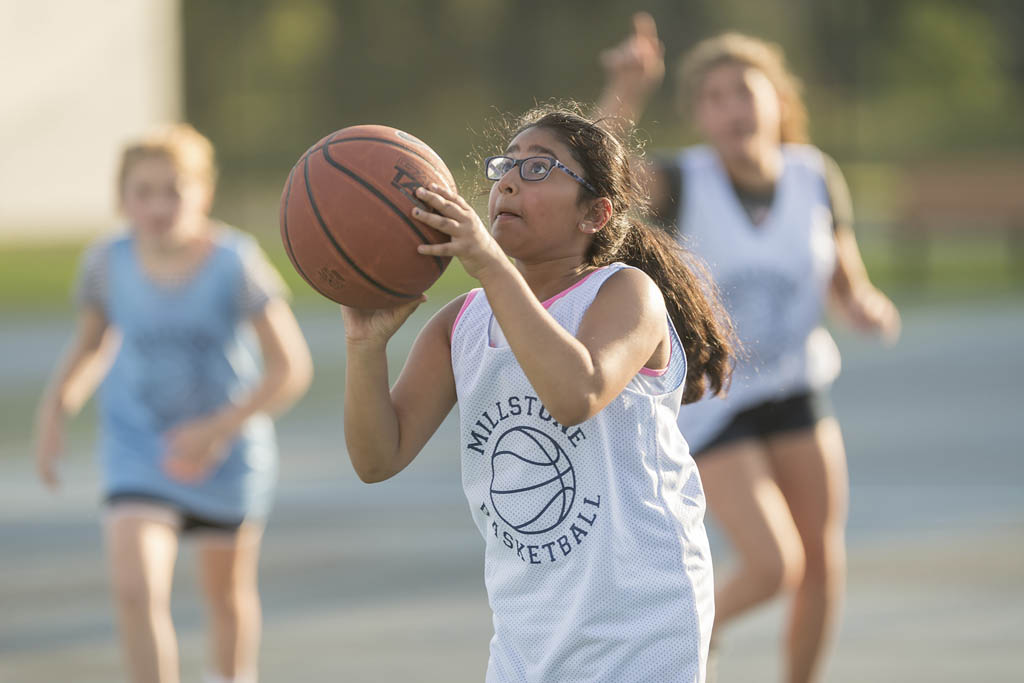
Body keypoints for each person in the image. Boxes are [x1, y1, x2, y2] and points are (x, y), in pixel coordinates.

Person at [339, 106, 735, 682]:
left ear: (595, 213)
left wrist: (490, 266)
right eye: (506, 165)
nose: (507, 180)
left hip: (645, 622)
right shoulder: (461, 323)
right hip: (528, 634)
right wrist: (364, 347)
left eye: (539, 168)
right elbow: (377, 458)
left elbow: (577, 394)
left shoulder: (624, 292)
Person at [597, 15, 902, 683]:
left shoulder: (815, 175)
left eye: (743, 89)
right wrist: (627, 91)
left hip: (794, 382)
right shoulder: (684, 181)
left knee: (822, 563)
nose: (731, 107)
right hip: (714, 396)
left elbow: (847, 282)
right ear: (700, 117)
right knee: (772, 565)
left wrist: (865, 305)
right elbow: (596, 179)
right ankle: (683, 639)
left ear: (778, 99)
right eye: (713, 97)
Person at [33, 123, 313, 683]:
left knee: (227, 598)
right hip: (139, 449)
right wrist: (56, 409)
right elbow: (91, 346)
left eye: (174, 190)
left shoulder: (235, 261)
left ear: (203, 193)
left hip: (226, 457)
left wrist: (220, 428)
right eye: (145, 191)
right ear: (122, 199)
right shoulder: (106, 263)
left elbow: (291, 368)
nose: (159, 204)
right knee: (135, 589)